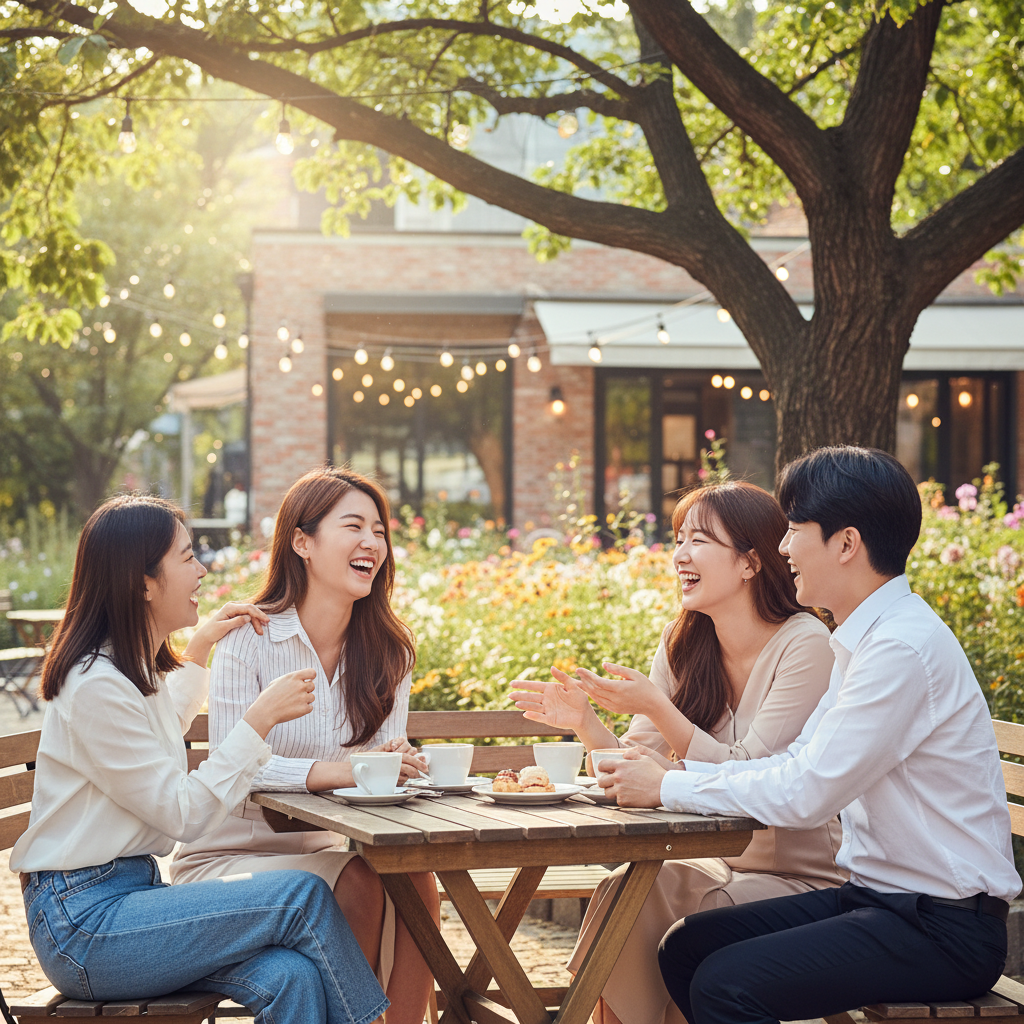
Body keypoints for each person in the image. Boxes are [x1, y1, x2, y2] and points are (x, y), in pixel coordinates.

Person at [602, 446, 1022, 1024]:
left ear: (846, 544)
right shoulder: (863, 640)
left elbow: (806, 794)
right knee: (687, 947)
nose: (782, 547)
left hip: (942, 925)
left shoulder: (899, 648)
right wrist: (672, 780)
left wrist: (668, 788)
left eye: (795, 529)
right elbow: (798, 760)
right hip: (879, 902)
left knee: (726, 984)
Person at [9, 494, 387, 1024]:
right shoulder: (96, 685)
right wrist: (258, 721)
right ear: (143, 581)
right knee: (300, 895)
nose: (202, 570)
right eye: (187, 558)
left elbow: (158, 730)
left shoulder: (123, 672)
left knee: (291, 975)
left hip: (129, 901)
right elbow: (182, 815)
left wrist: (202, 643)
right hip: (85, 925)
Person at [510, 481, 844, 1024]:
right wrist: (587, 725)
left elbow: (752, 775)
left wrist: (662, 710)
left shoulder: (803, 642)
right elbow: (634, 765)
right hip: (716, 864)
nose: (679, 555)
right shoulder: (684, 642)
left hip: (800, 879)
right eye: (678, 539)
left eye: (699, 540)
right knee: (629, 891)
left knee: (670, 916)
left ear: (749, 563)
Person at [172, 467, 438, 1024]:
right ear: (302, 542)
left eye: (380, 530)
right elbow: (237, 765)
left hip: (324, 853)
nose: (372, 542)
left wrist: (398, 763)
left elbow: (381, 764)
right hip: (227, 859)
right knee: (361, 882)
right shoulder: (249, 637)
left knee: (417, 875)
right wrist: (351, 770)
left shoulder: (390, 650)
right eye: (354, 526)